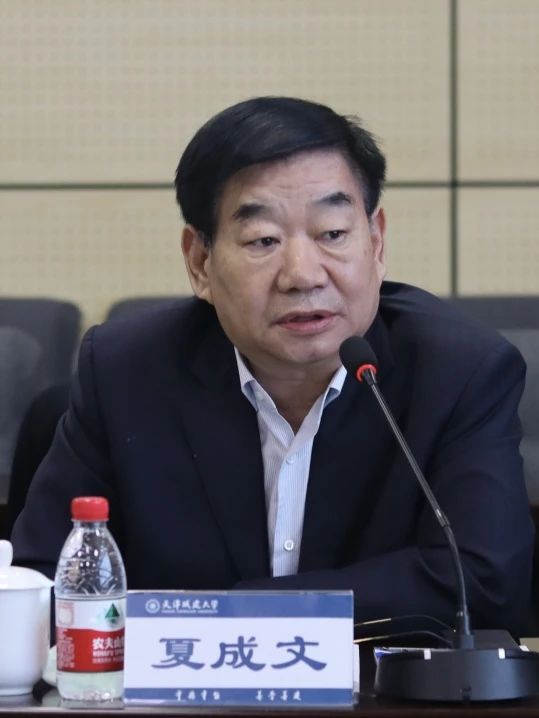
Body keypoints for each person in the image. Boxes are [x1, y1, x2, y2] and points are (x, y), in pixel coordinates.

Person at [11, 96, 533, 635]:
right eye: (263, 240)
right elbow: (45, 583)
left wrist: (235, 612)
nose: (302, 274)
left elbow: (483, 581)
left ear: (376, 244)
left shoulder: (458, 372)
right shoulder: (125, 373)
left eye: (333, 234)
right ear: (200, 262)